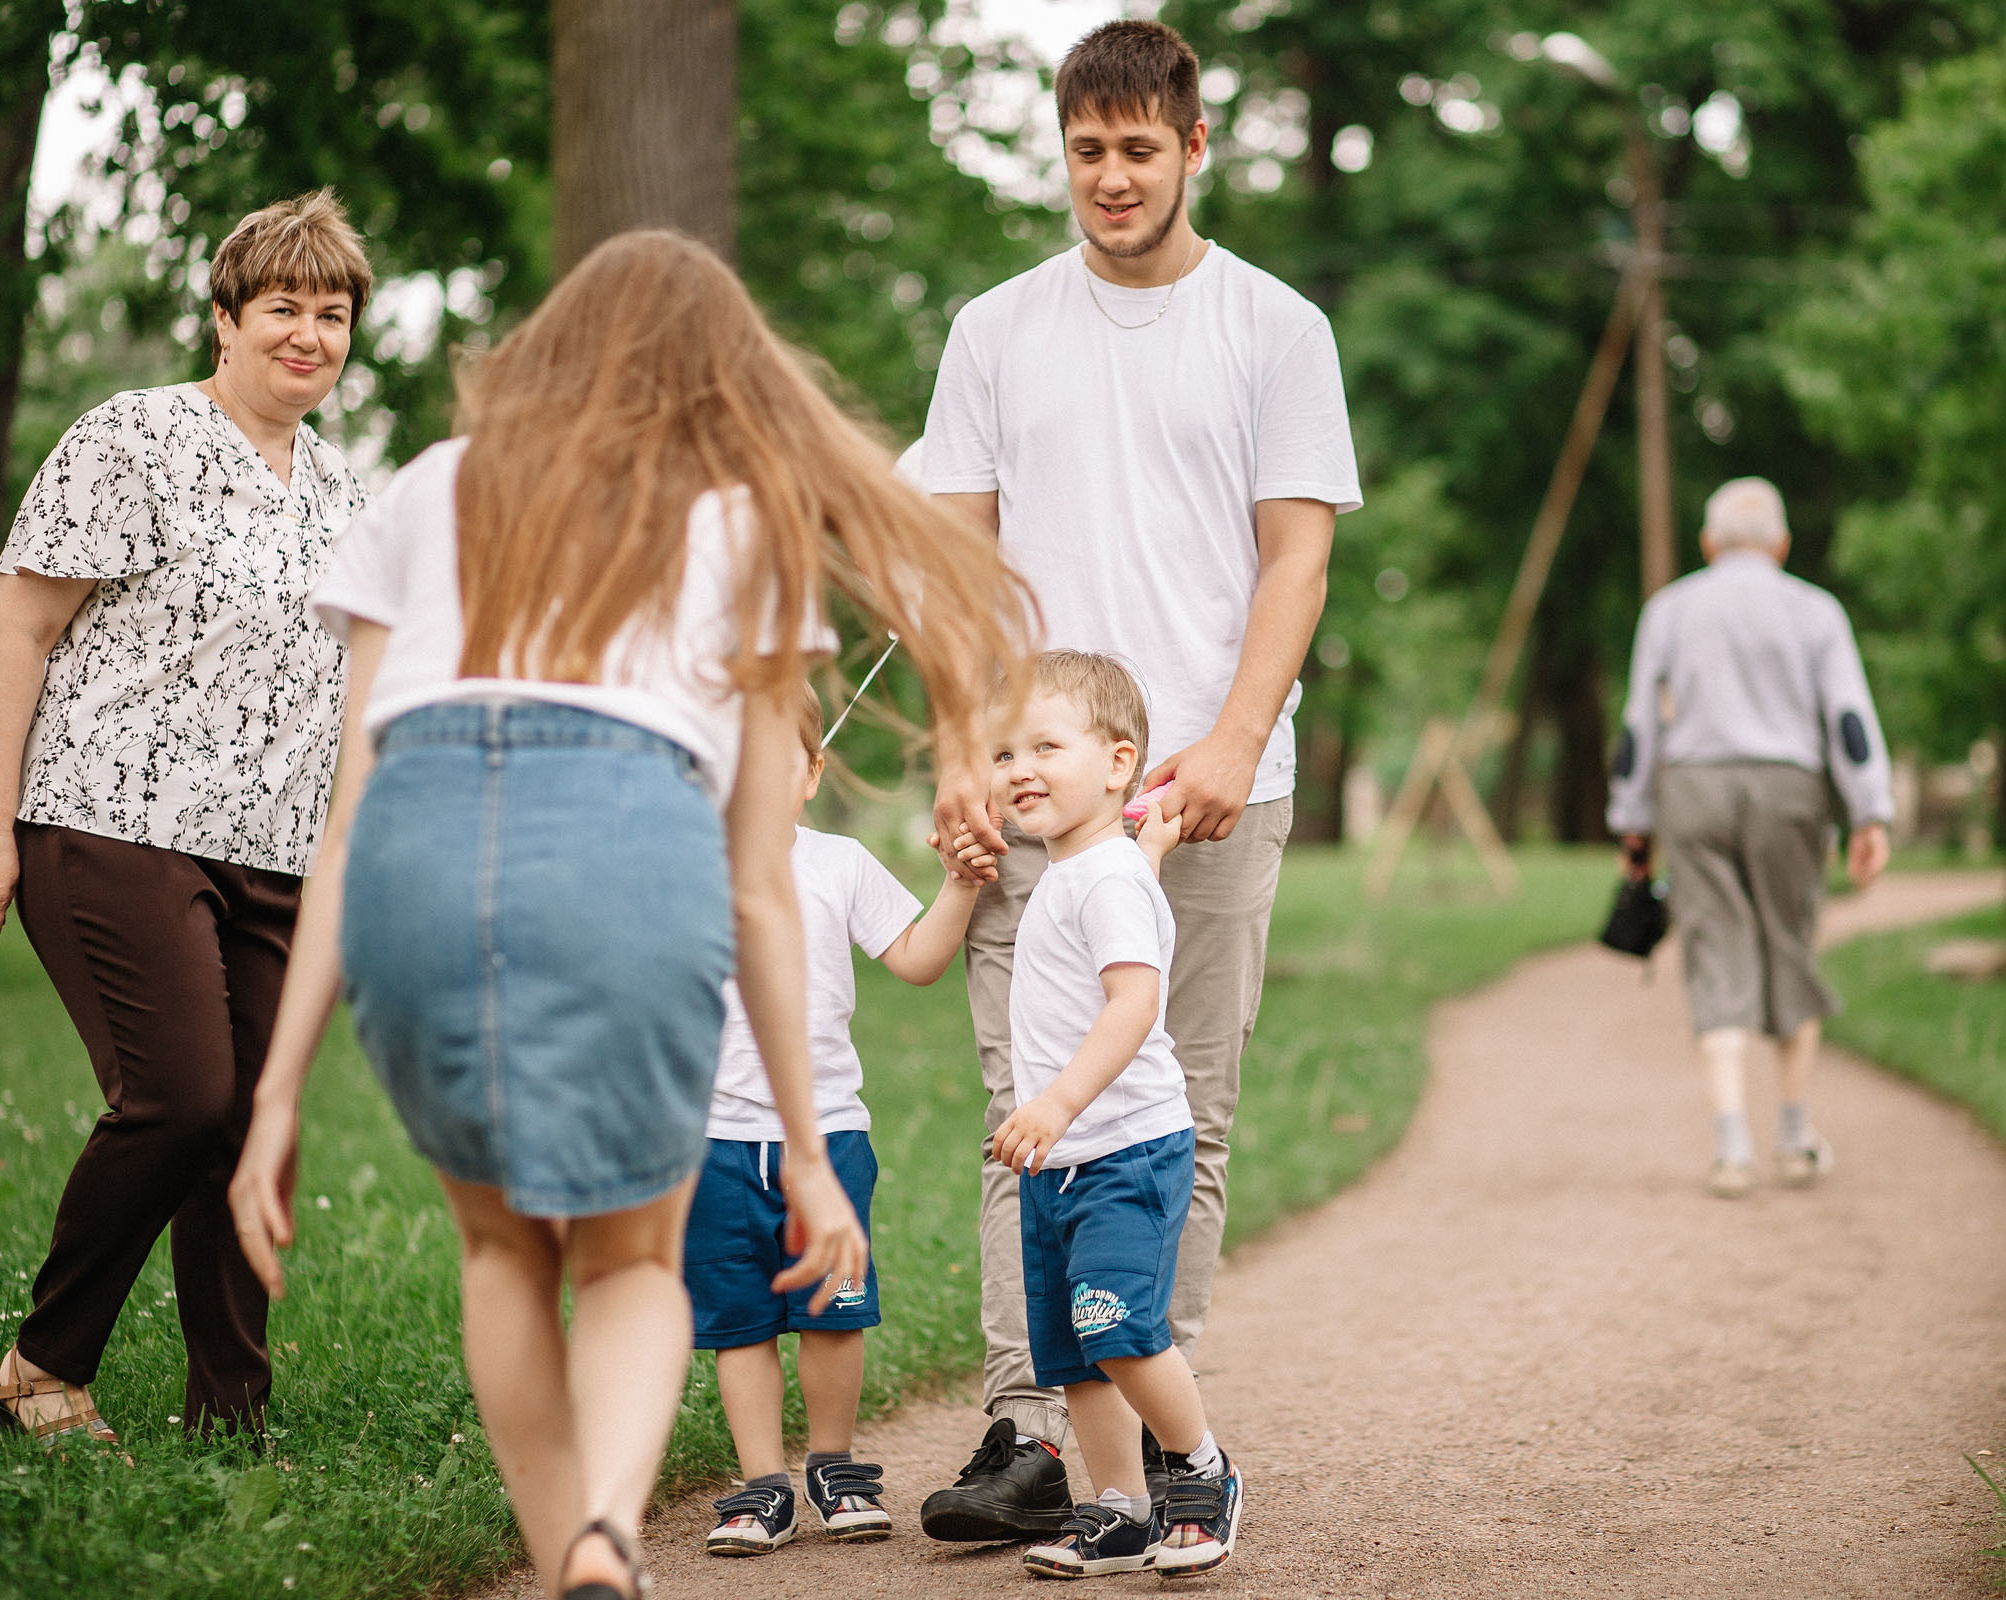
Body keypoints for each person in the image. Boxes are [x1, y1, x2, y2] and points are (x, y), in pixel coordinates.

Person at [224, 231, 1029, 1600]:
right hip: (620, 830)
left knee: (501, 1248)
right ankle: (605, 1527)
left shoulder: (432, 484)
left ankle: (567, 1568)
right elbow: (759, 886)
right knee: (633, 1261)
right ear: (727, 380)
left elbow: (347, 819)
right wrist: (809, 1157)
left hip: (416, 843)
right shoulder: (738, 519)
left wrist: (278, 1095)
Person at [914, 18, 1360, 1535]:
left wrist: (1232, 738)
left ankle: (1157, 1441)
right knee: (1020, 1103)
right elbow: (950, 567)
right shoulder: (995, 328)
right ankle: (1028, 1434)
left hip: (1209, 788)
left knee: (1183, 1112)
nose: (1111, 177)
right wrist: (961, 752)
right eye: (1088, 151)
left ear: (1193, 150)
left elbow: (1297, 558)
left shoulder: (1275, 327)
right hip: (1030, 782)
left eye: (1138, 150)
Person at [0, 191, 372, 1443]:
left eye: (332, 314)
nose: (309, 334)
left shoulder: (346, 490)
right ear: (226, 318)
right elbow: (18, 629)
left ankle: (231, 1415)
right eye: (283, 307)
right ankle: (44, 1362)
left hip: (278, 852)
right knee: (181, 1094)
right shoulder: (133, 437)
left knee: (245, 1122)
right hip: (108, 819)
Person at [692, 687, 988, 1557]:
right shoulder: (683, 869)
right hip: (710, 1139)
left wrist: (961, 885)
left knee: (833, 1308)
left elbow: (918, 959)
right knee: (737, 1320)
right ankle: (762, 1486)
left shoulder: (839, 864)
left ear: (813, 771)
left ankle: (834, 1467)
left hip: (827, 1131)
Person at [984, 650, 1242, 1580]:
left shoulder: (1103, 880)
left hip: (1123, 1150)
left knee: (1119, 1329)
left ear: (1119, 762)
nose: (1019, 769)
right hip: (1064, 1163)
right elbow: (1127, 883)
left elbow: (1133, 1003)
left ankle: (1201, 1469)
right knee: (1077, 1356)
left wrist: (1051, 1101)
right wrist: (1153, 847)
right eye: (1004, 752)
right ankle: (1122, 1510)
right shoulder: (1094, 868)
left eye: (1045, 746)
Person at [1606, 477, 1894, 1200]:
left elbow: (1641, 724)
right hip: (1789, 791)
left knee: (1714, 950)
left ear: (1707, 544)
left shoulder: (1670, 609)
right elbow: (1849, 718)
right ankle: (1794, 1139)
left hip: (1694, 789)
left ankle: (1732, 1149)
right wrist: (1871, 812)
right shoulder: (1815, 610)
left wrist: (1632, 822)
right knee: (1788, 943)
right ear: (1783, 544)